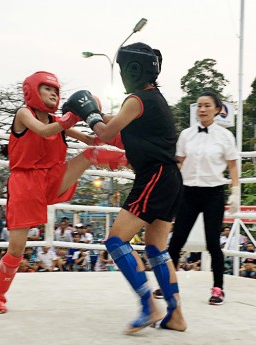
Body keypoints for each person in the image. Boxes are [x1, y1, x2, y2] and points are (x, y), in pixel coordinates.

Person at [64, 42, 187, 333]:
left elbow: (105, 131)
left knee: (116, 241)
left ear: (132, 69)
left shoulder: (137, 99)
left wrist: (90, 114)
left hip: (154, 177)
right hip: (169, 179)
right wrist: (89, 115)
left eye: (121, 68)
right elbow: (114, 129)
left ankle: (149, 306)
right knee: (157, 248)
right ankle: (176, 315)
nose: (120, 74)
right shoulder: (153, 99)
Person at [0, 71, 126, 314]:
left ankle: (135, 161)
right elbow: (43, 131)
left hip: (52, 177)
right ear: (32, 90)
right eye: (47, 88)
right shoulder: (25, 113)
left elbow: (90, 141)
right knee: (17, 249)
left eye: (55, 90)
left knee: (91, 155)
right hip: (24, 184)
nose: (53, 93)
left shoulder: (56, 120)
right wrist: (72, 116)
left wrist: (95, 117)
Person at [160, 90, 239, 306]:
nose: (202, 109)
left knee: (213, 243)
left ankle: (218, 289)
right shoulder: (186, 134)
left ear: (217, 109)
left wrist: (235, 191)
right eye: (199, 105)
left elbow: (232, 165)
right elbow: (179, 162)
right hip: (188, 192)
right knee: (176, 242)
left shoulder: (225, 136)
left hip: (213, 192)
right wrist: (169, 187)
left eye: (206, 105)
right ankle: (168, 284)